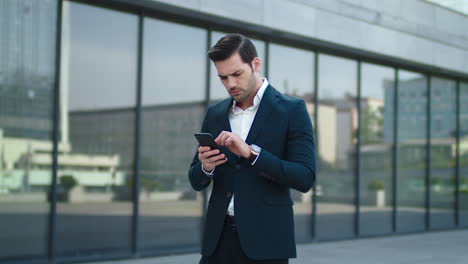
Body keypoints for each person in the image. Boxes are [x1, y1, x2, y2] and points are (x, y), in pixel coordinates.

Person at [188, 33, 316, 264]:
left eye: (237, 74)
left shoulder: (291, 110)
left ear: (255, 64)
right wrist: (205, 167)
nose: (231, 84)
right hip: (218, 242)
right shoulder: (216, 114)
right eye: (223, 78)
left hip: (267, 243)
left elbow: (304, 177)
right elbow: (196, 180)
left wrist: (251, 153)